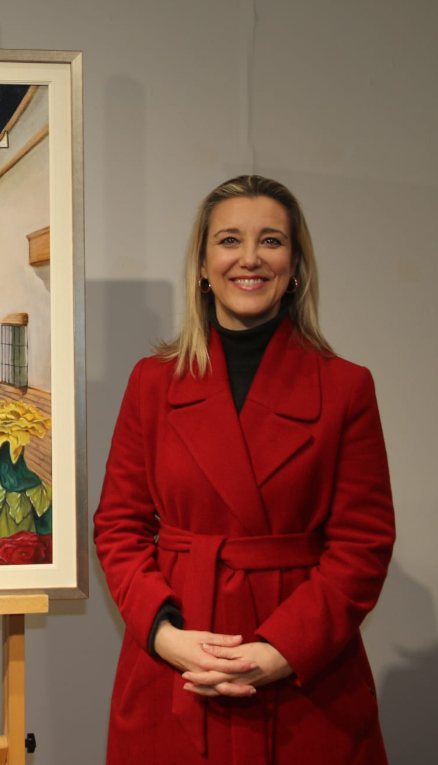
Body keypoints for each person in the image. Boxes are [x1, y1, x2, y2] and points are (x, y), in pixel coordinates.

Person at [93, 175, 395, 764]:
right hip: (178, 662)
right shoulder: (152, 383)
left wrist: (280, 652)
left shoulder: (346, 388)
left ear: (295, 265)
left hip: (304, 673)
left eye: (271, 241)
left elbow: (363, 546)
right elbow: (119, 528)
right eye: (229, 240)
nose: (250, 258)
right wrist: (167, 637)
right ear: (203, 266)